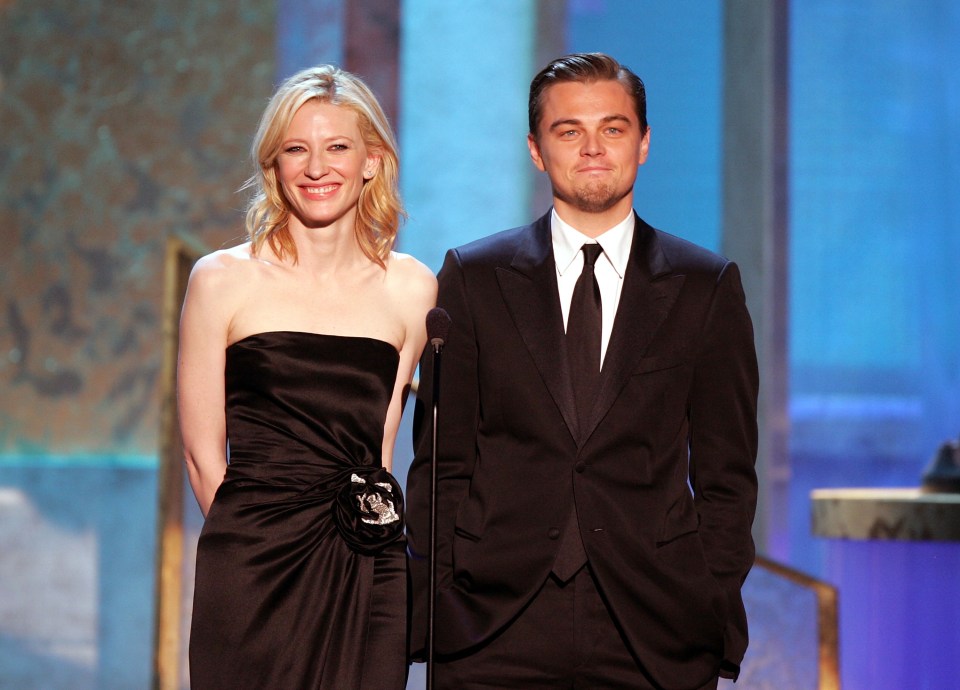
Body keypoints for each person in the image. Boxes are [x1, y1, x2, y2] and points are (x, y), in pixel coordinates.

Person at [406, 53, 758, 690]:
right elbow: (441, 463)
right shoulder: (474, 277)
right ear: (537, 151)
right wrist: (439, 608)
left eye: (614, 128)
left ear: (644, 143)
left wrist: (706, 603)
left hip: (655, 625)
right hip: (492, 622)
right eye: (569, 131)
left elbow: (727, 476)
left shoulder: (706, 287)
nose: (593, 148)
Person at [178, 64, 436, 690]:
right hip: (252, 568)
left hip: (367, 567)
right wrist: (261, 539)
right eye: (297, 149)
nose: (316, 167)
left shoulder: (411, 288)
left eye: (337, 147)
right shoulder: (220, 280)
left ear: (372, 161)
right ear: (275, 165)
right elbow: (202, 458)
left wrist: (353, 544)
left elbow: (380, 450)